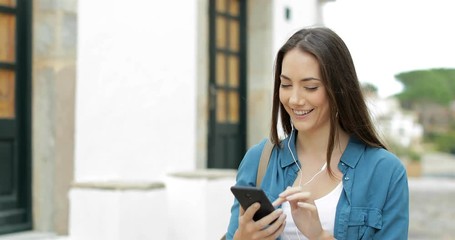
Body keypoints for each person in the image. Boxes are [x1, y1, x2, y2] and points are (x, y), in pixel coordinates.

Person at [226, 27, 409, 240]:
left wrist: (319, 235)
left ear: (339, 89)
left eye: (310, 87)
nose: (294, 99)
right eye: (285, 84)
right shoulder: (259, 160)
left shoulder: (386, 172)